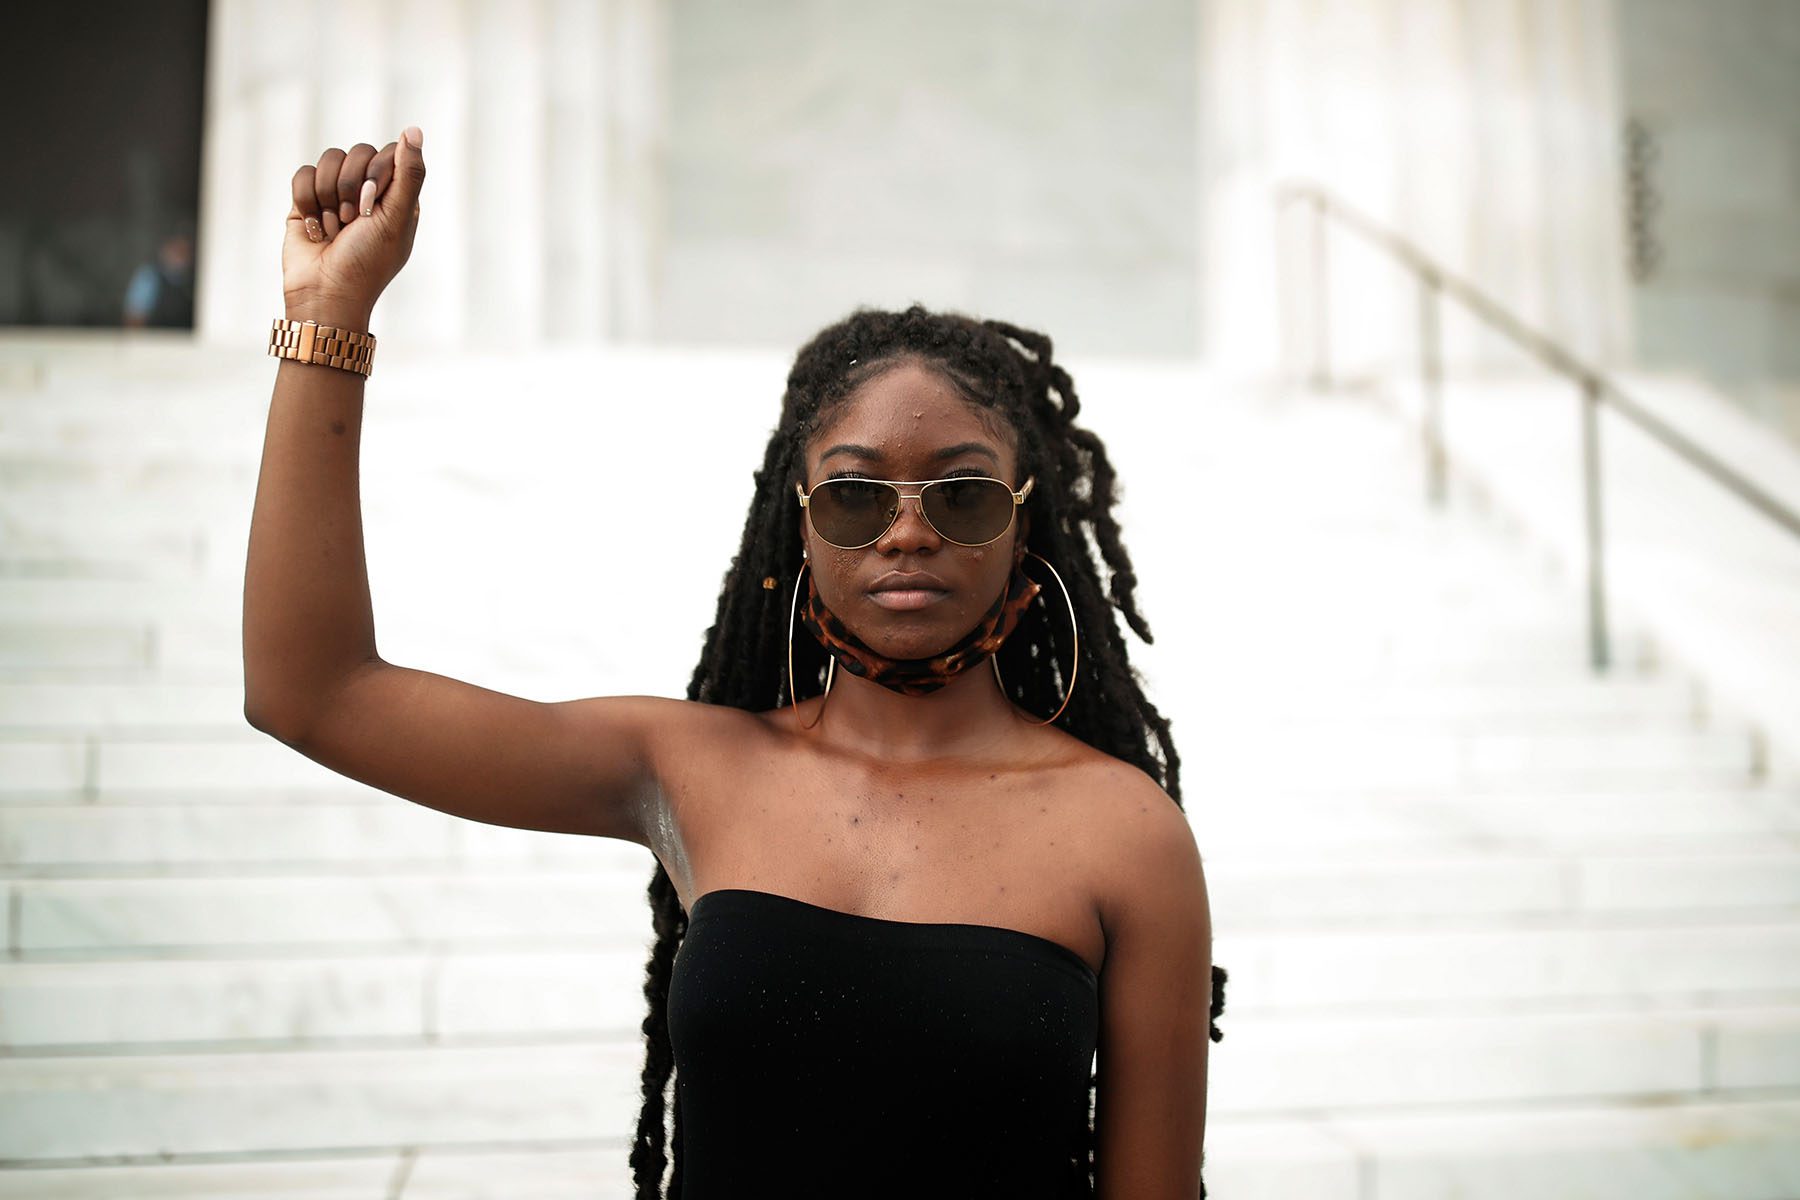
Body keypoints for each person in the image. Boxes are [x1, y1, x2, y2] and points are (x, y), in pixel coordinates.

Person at [244, 126, 1226, 1199]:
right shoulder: (688, 768)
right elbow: (313, 693)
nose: (907, 532)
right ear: (796, 524)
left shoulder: (1127, 836)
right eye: (855, 494)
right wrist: (328, 318)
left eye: (961, 493)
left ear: (1022, 524)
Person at [122, 223, 196, 329]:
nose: (180, 257)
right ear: (165, 249)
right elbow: (133, 319)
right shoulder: (149, 277)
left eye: (185, 251)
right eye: (177, 250)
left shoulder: (192, 280)